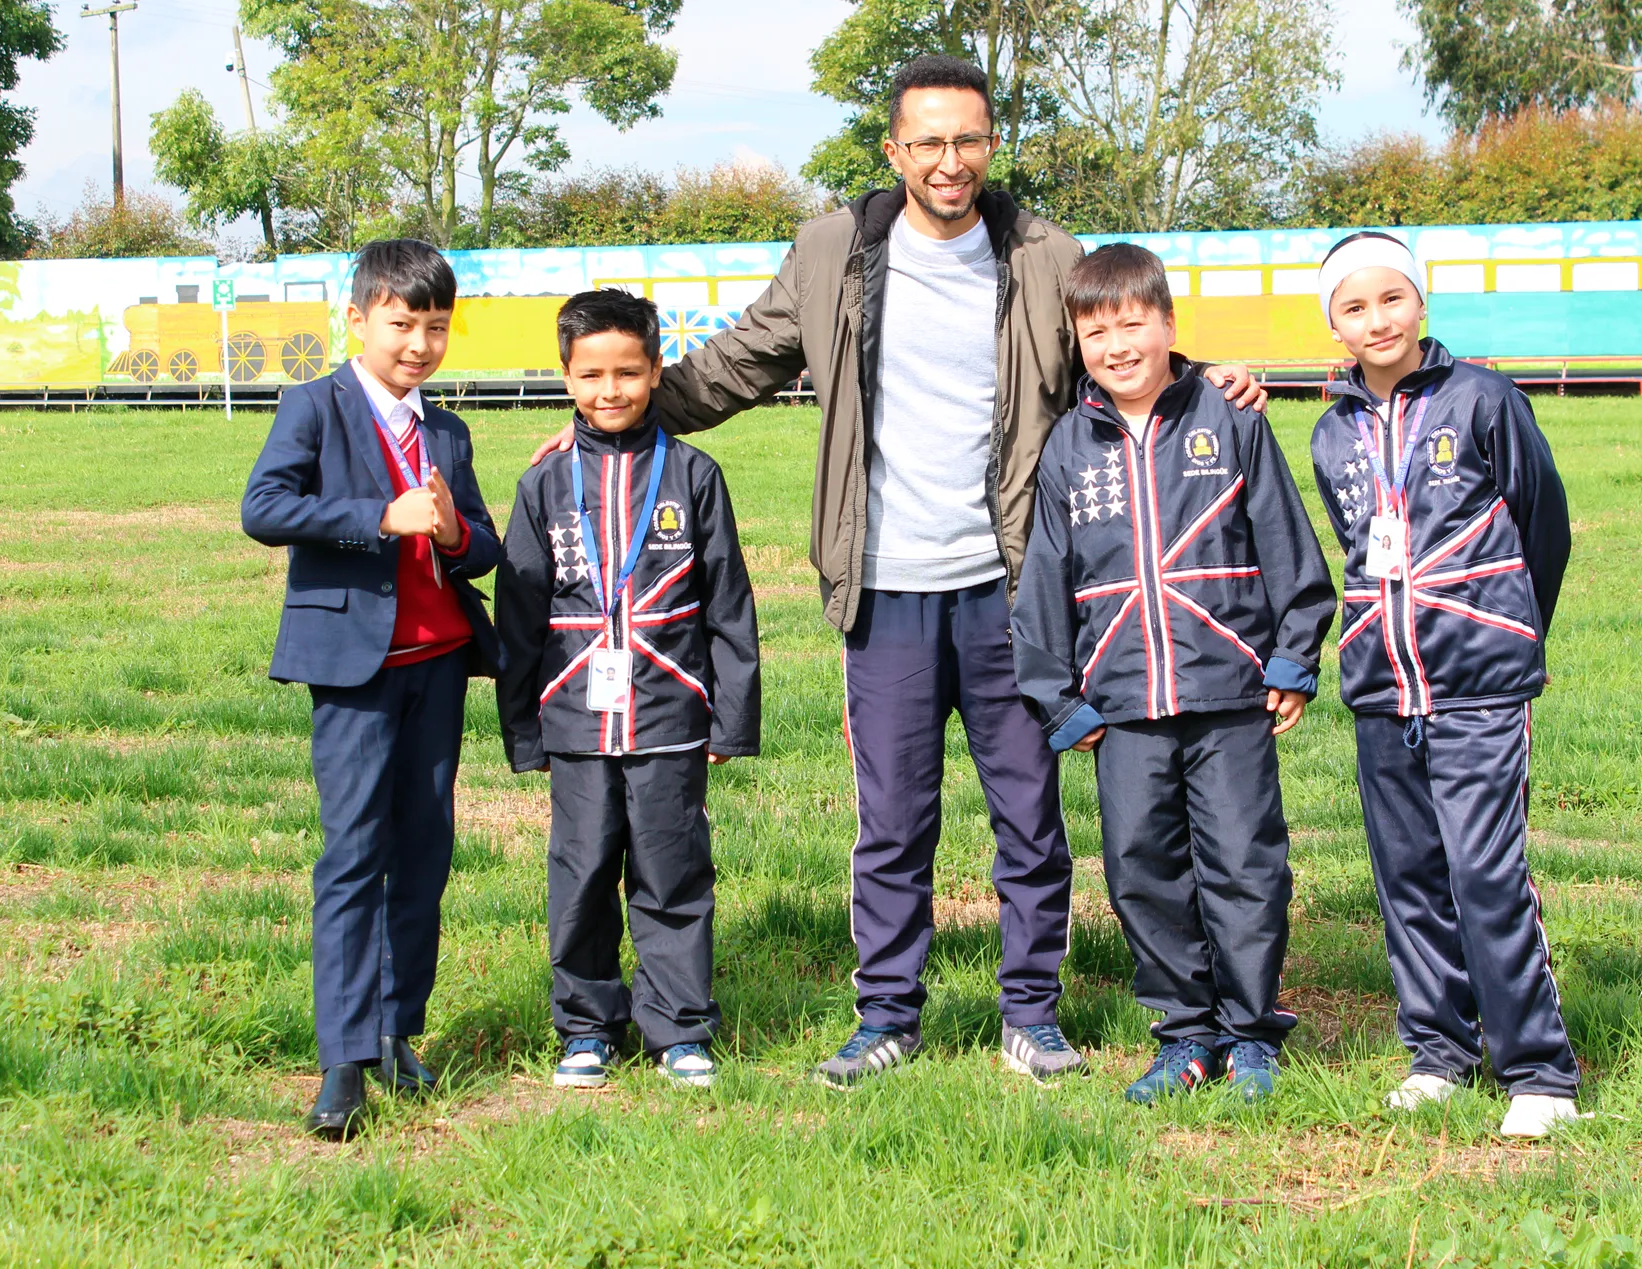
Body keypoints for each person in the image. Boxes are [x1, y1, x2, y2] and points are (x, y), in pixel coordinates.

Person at [528, 55, 1268, 1089]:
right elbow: (735, 364)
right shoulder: (830, 251)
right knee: (892, 823)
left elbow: (1115, 346)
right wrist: (606, 429)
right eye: (928, 142)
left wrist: (1200, 378)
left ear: (991, 144)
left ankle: (1031, 1013)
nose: (949, 161)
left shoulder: (1046, 254)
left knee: (1030, 816)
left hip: (1014, 589)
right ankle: (886, 1014)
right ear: (894, 150)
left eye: (968, 139)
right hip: (882, 589)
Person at [1011, 244, 1336, 1104]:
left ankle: (1250, 1033)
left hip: (1229, 694)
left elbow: (1286, 541)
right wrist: (1059, 700)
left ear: (1168, 324)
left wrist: (1294, 656)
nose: (1117, 345)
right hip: (1122, 706)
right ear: (1077, 342)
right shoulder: (1068, 446)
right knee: (1140, 867)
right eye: (1096, 332)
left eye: (1133, 324)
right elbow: (1044, 580)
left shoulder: (1228, 417)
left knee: (1246, 864)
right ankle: (1185, 1034)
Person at [1309, 231, 1582, 1138]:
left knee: (1485, 872)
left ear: (1421, 304)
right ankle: (1439, 1053)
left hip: (1478, 683)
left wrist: (1510, 629)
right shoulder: (1331, 431)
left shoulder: (1482, 399)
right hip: (1383, 688)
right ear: (1335, 325)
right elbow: (1357, 544)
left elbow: (1543, 524)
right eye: (1354, 307)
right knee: (1410, 878)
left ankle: (1538, 1070)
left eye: (1392, 298)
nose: (1377, 319)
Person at [241, 239, 502, 1138]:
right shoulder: (314, 406)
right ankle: (343, 1060)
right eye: (401, 324)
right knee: (354, 853)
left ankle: (397, 1031)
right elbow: (264, 507)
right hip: (354, 670)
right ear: (357, 319)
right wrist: (379, 517)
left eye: (436, 327)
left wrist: (457, 532)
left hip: (439, 663)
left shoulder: (448, 430)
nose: (419, 345)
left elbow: (482, 543)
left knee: (425, 850)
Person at [495, 290, 760, 1090]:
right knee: (580, 873)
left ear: (654, 371)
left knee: (671, 870)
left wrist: (730, 720)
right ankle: (586, 1025)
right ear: (566, 377)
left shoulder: (694, 475)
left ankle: (679, 1025)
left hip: (671, 713)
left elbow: (729, 605)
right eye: (591, 375)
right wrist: (524, 729)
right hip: (575, 717)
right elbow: (519, 615)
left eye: (627, 373)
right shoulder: (545, 483)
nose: (609, 390)